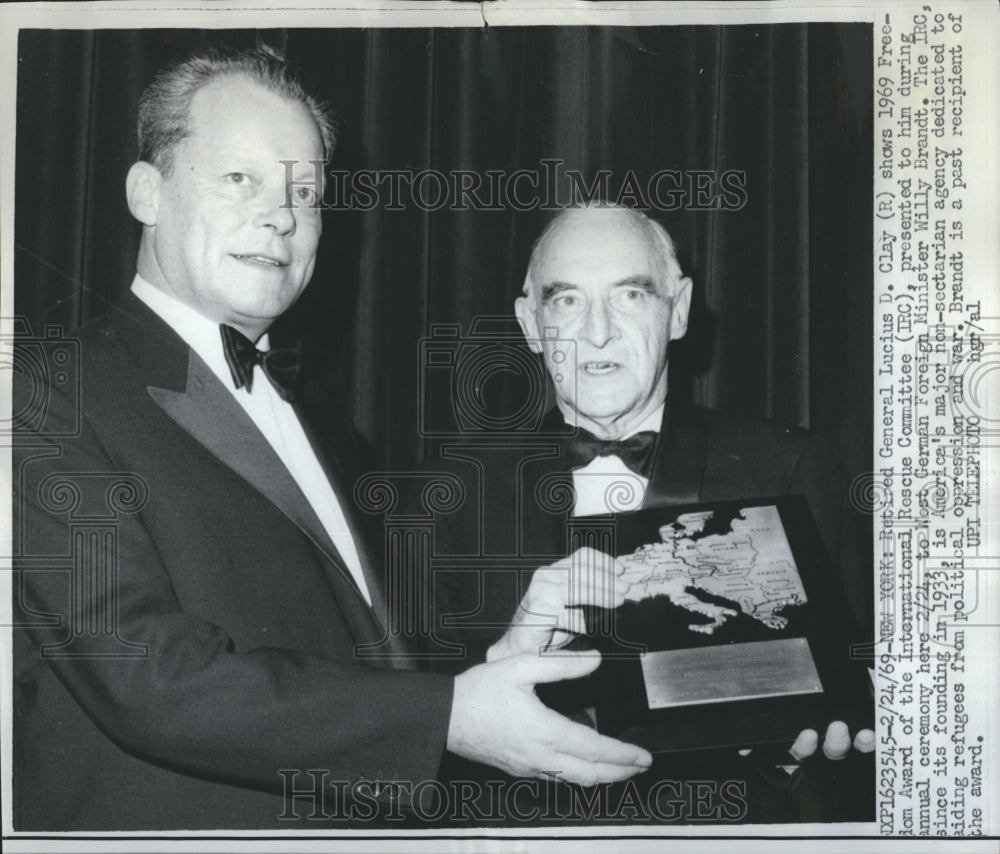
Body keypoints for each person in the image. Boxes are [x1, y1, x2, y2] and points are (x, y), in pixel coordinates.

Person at [11, 48, 652, 831]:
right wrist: (449, 714)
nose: (280, 216)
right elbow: (146, 676)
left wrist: (494, 671)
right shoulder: (43, 391)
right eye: (240, 178)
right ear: (147, 192)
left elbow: (367, 676)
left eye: (304, 192)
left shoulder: (328, 432)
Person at [427, 205, 874, 823]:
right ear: (530, 324)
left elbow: (862, 701)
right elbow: (410, 733)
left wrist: (800, 754)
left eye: (631, 294)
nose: (598, 332)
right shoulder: (453, 494)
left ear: (680, 310)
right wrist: (504, 661)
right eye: (566, 302)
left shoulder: (789, 464)